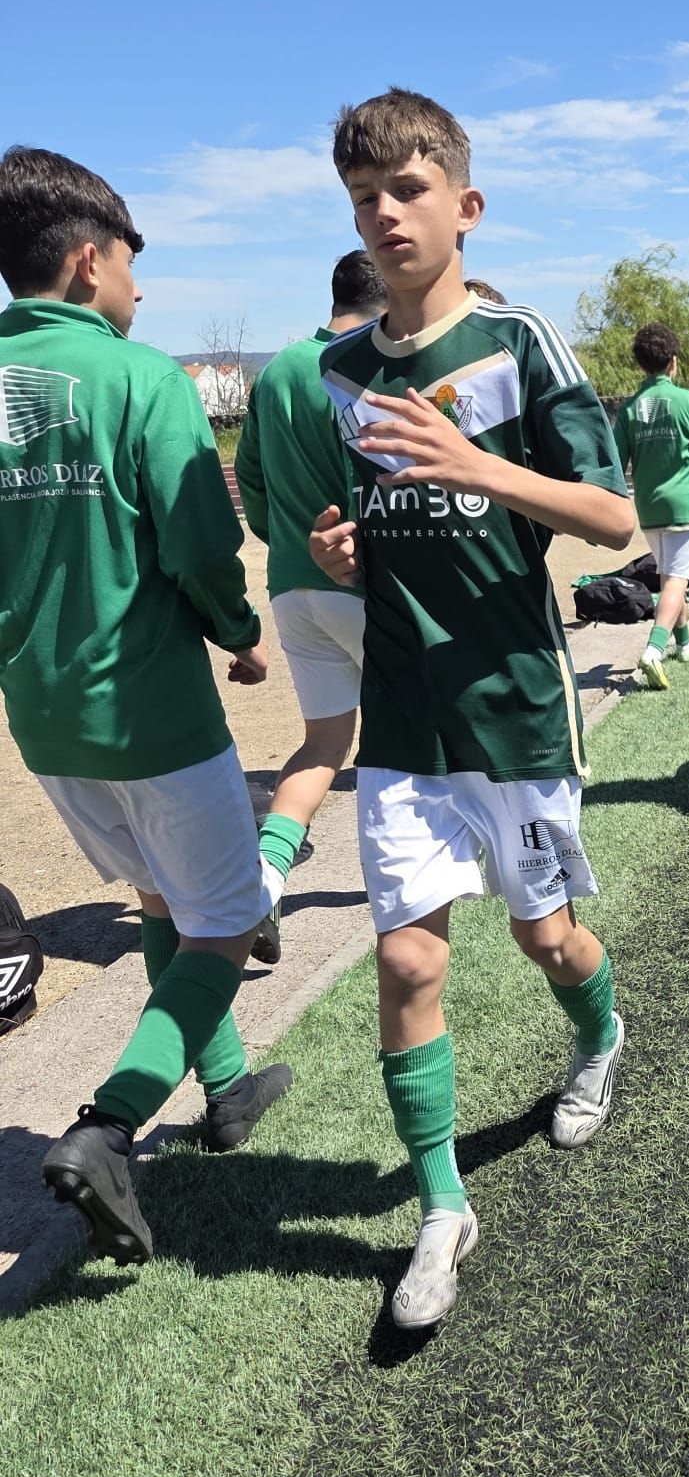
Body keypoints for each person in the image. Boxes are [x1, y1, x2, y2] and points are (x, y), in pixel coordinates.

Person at [310, 87, 635, 1330]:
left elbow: (613, 518)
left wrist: (478, 467)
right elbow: (381, 518)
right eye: (364, 198)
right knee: (405, 956)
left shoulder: (519, 343)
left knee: (547, 938)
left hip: (512, 708)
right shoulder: (342, 371)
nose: (385, 214)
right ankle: (443, 1209)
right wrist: (346, 548)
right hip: (403, 712)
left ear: (467, 205)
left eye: (408, 189)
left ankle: (599, 1037)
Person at [0, 147, 290, 1266]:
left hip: (45, 721)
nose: (139, 286)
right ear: (89, 262)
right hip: (153, 711)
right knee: (227, 924)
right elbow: (203, 543)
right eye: (131, 263)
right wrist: (239, 631)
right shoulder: (140, 378)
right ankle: (109, 1127)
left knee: (162, 894)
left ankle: (228, 1086)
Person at [236, 249, 386, 963]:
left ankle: (263, 881)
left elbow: (251, 478)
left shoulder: (276, 372)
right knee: (402, 737)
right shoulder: (369, 366)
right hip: (366, 582)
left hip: (293, 584)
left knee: (324, 743)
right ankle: (403, 881)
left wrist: (289, 543)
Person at [612, 322, 689, 688]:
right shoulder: (686, 402)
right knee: (676, 579)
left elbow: (616, 463)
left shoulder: (629, 409)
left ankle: (684, 643)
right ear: (673, 361)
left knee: (669, 575)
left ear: (641, 365)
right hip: (682, 507)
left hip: (648, 508)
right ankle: (654, 650)